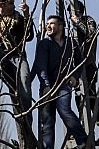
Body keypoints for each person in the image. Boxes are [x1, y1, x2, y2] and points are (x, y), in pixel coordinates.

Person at [31, 14, 88, 149]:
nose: (48, 26)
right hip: (47, 86)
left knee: (64, 110)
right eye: (47, 24)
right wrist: (46, 86)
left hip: (63, 85)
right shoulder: (45, 44)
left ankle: (82, 141)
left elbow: (80, 62)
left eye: (52, 23)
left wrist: (75, 76)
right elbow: (41, 66)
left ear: (61, 26)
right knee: (48, 122)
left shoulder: (71, 43)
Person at [71, 2, 99, 146]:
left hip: (88, 66)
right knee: (80, 101)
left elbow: (91, 34)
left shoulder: (87, 20)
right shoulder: (70, 29)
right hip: (75, 69)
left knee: (89, 98)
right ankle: (84, 133)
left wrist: (78, 22)